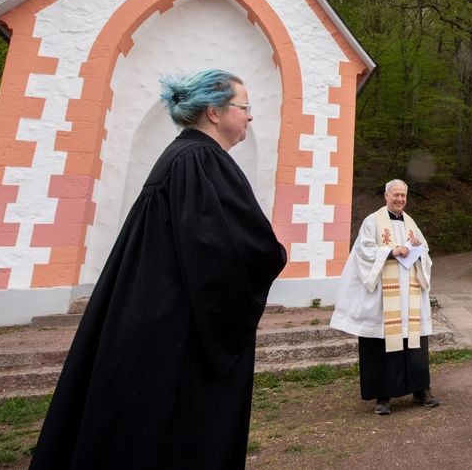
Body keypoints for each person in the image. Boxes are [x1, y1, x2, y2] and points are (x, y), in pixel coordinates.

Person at [30, 70, 286, 469]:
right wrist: (271, 254)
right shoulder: (200, 159)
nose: (250, 117)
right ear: (214, 112)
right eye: (245, 107)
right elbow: (223, 249)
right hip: (177, 328)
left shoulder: (183, 156)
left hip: (153, 316)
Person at [330, 179, 439, 415]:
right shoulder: (373, 222)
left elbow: (425, 252)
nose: (400, 199)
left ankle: (420, 389)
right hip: (383, 296)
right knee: (380, 344)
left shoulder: (411, 224)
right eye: (396, 195)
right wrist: (391, 251)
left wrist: (419, 251)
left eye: (403, 196)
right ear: (386, 196)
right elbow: (363, 251)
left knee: (414, 343)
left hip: (409, 294)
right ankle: (383, 396)